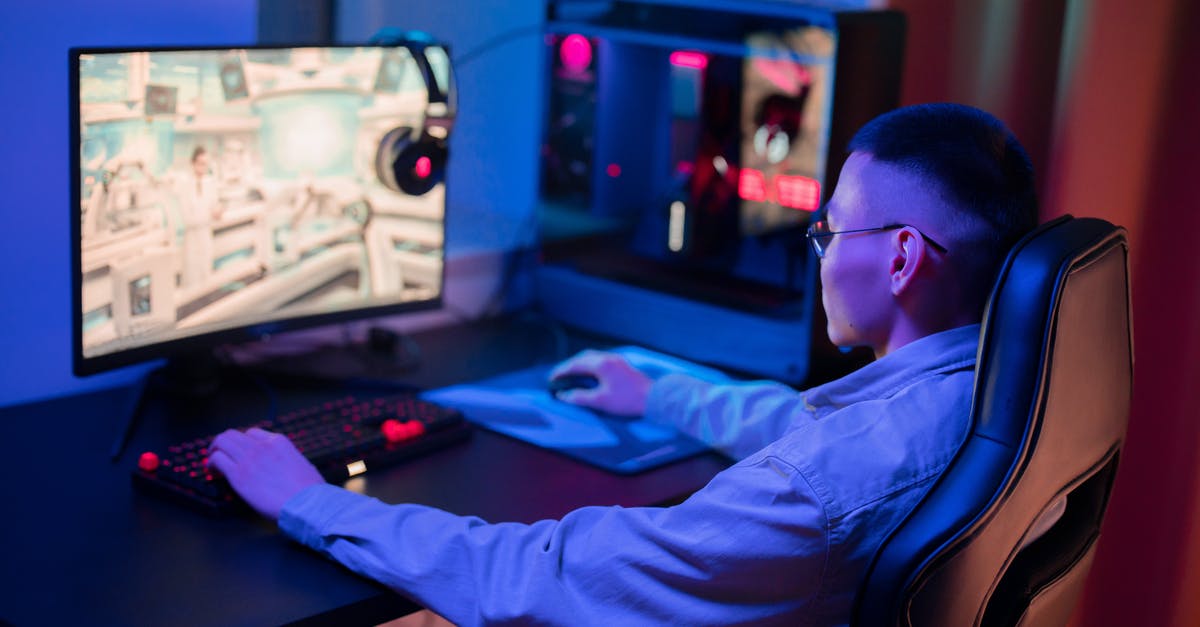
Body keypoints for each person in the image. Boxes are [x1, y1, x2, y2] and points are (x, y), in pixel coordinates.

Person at [209, 103, 1039, 626]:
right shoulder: (993, 391)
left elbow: (537, 576)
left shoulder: (817, 488)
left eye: (830, 232)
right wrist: (663, 391)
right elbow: (817, 429)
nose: (817, 252)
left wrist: (308, 499)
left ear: (900, 260)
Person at [176, 145, 222, 288]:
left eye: (206, 164)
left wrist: (217, 210)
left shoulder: (209, 183)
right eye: (201, 164)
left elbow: (214, 205)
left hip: (205, 236)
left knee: (205, 274)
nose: (203, 168)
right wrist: (209, 215)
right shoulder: (184, 184)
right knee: (192, 278)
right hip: (192, 239)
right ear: (193, 163)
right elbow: (187, 219)